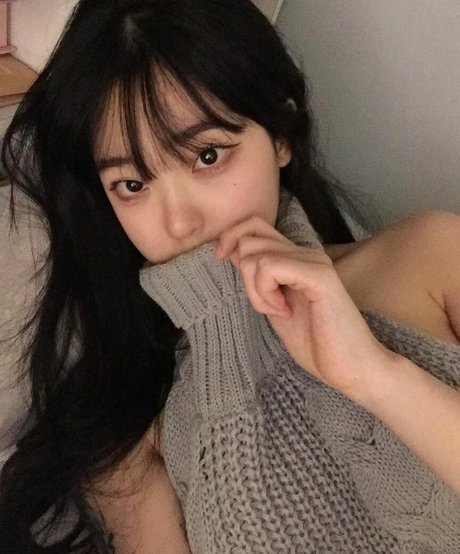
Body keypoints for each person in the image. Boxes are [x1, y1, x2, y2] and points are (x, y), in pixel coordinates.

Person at [0, 0, 459, 552]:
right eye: (132, 185)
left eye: (208, 155)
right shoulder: (128, 439)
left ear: (280, 136)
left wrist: (373, 374)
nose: (178, 221)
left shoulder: (431, 254)